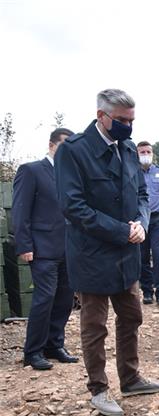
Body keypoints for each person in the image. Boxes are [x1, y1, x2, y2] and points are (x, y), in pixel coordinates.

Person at [55, 88, 159, 416]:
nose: (128, 127)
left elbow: (143, 195)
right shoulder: (73, 152)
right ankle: (99, 389)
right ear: (101, 116)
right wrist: (122, 230)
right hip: (92, 253)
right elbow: (73, 207)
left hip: (127, 253)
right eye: (121, 120)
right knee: (95, 325)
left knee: (132, 315)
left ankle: (131, 378)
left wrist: (142, 224)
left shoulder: (128, 149)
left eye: (132, 120)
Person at [11, 127, 77, 371]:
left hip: (68, 249)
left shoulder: (70, 176)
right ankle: (33, 351)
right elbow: (20, 210)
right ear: (52, 145)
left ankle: (54, 344)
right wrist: (24, 244)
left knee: (64, 299)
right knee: (44, 298)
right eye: (64, 147)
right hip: (42, 249)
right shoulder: (32, 171)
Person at [136, 141, 159, 307]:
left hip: (158, 219)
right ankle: (147, 292)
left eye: (148, 151)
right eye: (142, 152)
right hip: (140, 221)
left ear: (153, 153)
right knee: (142, 257)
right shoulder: (132, 173)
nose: (145, 154)